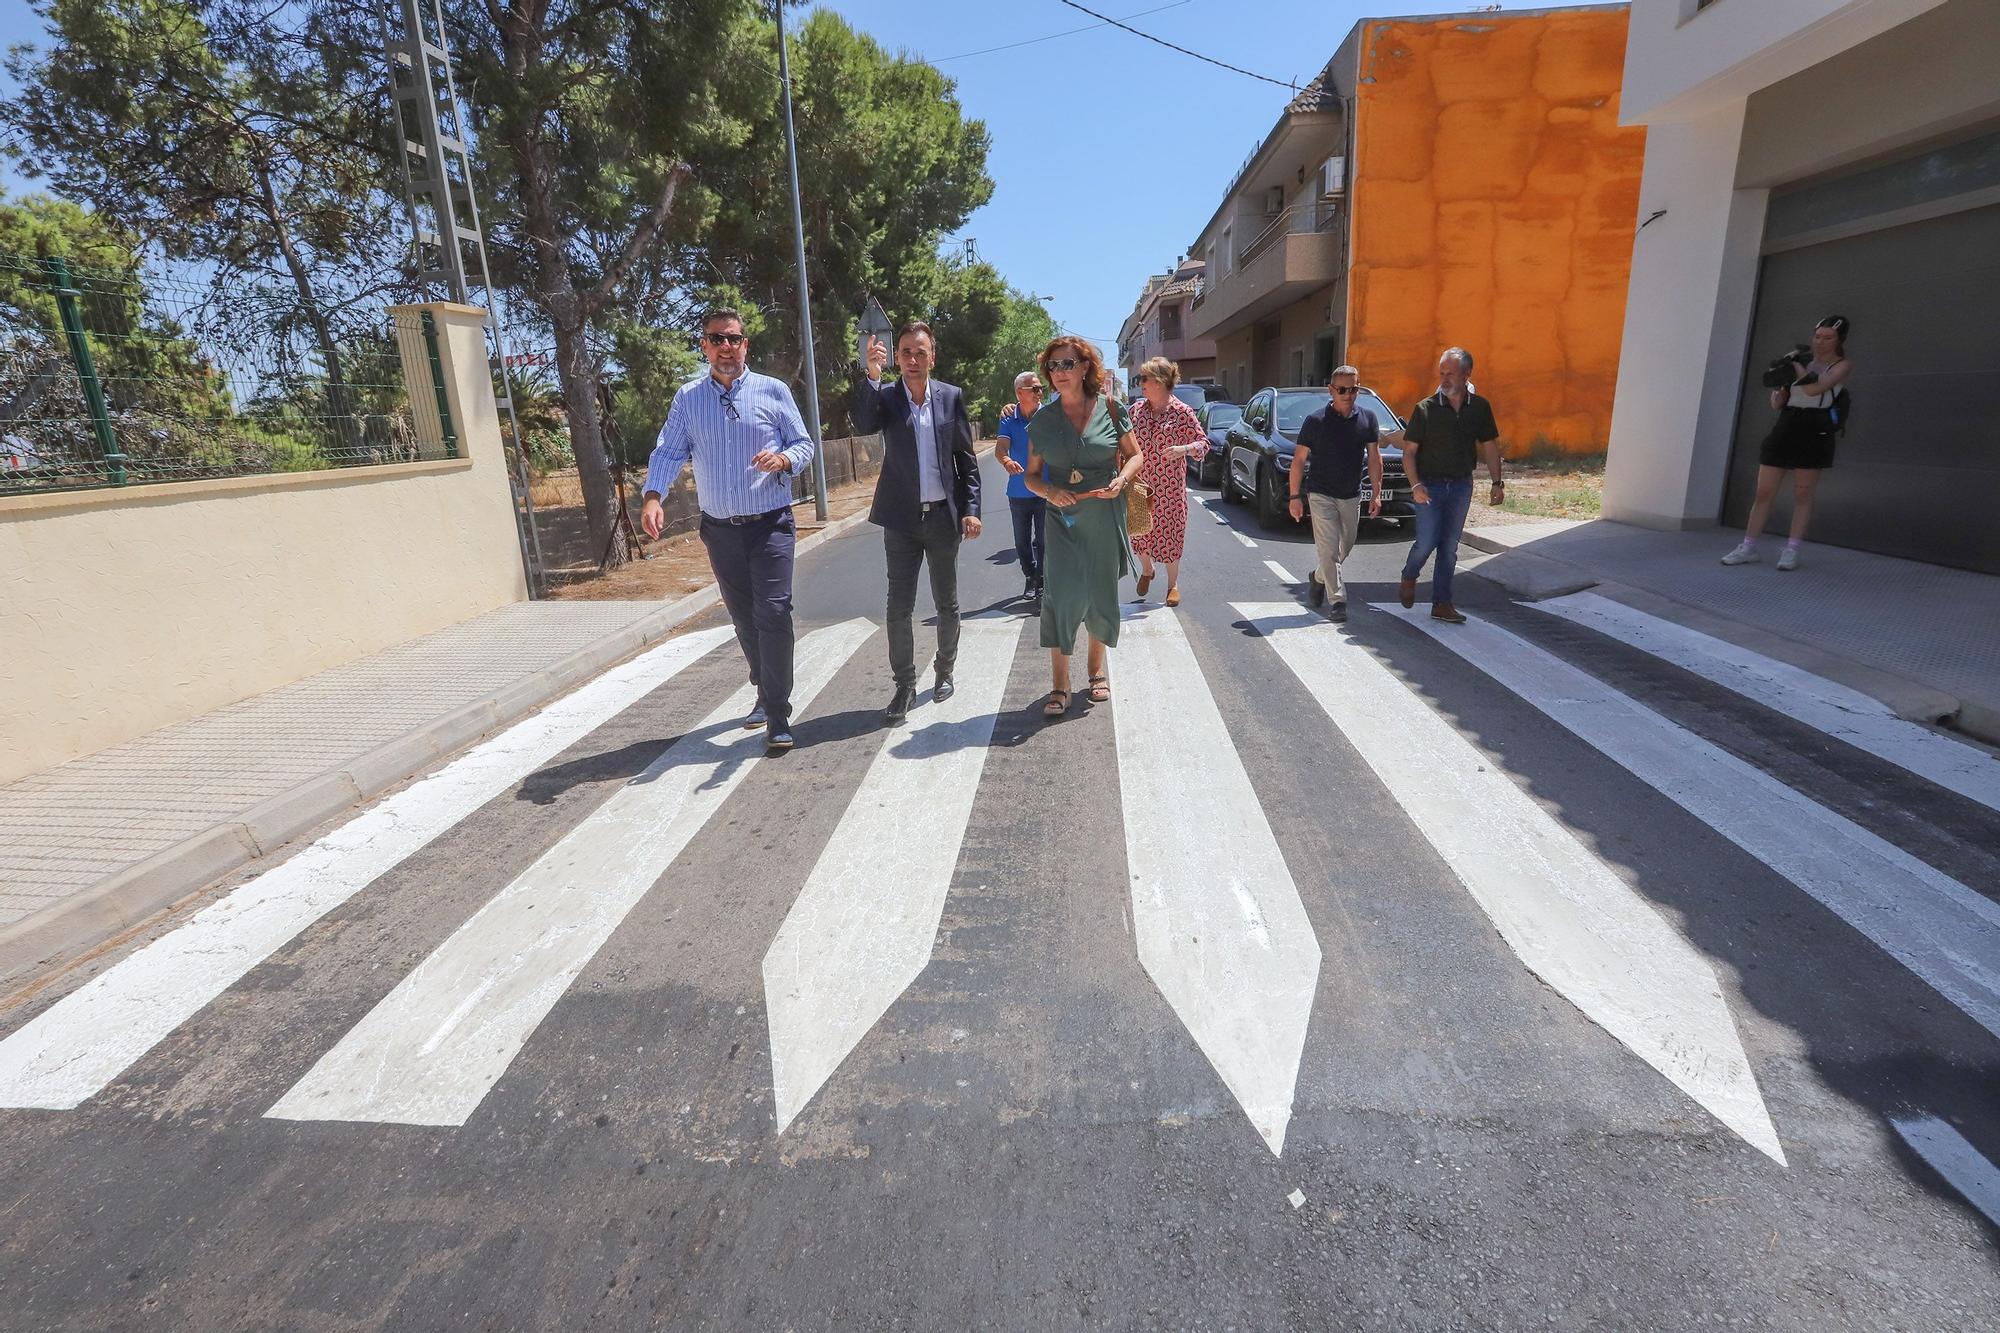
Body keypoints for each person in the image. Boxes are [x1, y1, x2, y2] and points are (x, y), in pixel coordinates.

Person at [643, 307, 816, 752]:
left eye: (734, 339)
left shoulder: (772, 391)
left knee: (774, 613)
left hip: (771, 524)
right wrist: (652, 496)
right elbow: (668, 451)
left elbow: (804, 444)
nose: (726, 347)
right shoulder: (688, 398)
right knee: (744, 619)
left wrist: (784, 460)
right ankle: (763, 688)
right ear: (704, 345)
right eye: (716, 339)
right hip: (720, 530)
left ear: (745, 345)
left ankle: (778, 713)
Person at [854, 321, 982, 725]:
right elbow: (863, 423)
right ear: (897, 356)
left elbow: (966, 460)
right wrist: (872, 376)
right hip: (901, 521)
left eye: (919, 352)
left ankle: (944, 671)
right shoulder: (888, 397)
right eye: (905, 351)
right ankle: (904, 685)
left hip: (943, 517)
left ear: (932, 356)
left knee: (947, 602)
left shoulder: (950, 398)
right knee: (899, 607)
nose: (911, 359)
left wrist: (971, 508)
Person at [1021, 336, 1142, 716]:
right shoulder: (1042, 421)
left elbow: (1135, 456)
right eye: (1053, 366)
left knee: (1099, 592)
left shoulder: (1111, 407)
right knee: (1060, 595)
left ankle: (1096, 671)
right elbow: (1031, 477)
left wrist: (1121, 481)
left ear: (1085, 367)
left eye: (1067, 364)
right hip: (1061, 519)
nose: (1059, 373)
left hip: (1104, 516)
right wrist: (1050, 492)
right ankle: (1060, 684)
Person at [1723, 315, 1854, 572]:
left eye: (1828, 338)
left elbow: (1814, 390)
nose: (1821, 342)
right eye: (1817, 336)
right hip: (1786, 425)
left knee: (1802, 494)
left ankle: (1791, 550)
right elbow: (1777, 403)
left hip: (1815, 428)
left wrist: (1797, 367)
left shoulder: (1842, 365)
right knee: (1763, 493)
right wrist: (1781, 384)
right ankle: (1748, 547)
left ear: (1840, 340)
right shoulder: (1800, 360)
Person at [1398, 346, 1502, 624]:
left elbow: (1490, 445)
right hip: (1428, 485)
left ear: (1467, 374)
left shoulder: (1479, 408)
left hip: (1460, 486)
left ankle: (1442, 603)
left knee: (1449, 546)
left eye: (1451, 374)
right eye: (1441, 373)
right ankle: (1410, 574)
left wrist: (1497, 482)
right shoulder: (1425, 409)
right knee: (1427, 541)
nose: (1444, 379)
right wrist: (1416, 485)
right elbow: (1408, 452)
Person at [1288, 365, 1383, 623]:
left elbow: (1374, 457)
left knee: (1345, 547)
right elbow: (1298, 460)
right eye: (1342, 389)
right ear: (1331, 391)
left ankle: (1318, 577)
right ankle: (1338, 601)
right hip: (1320, 493)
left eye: (1353, 389)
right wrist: (1294, 497)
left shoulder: (1368, 419)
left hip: (1351, 494)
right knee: (1329, 550)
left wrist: (1376, 493)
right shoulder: (1316, 421)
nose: (1348, 394)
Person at [1128, 356, 1207, 606]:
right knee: (1140, 534)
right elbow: (1123, 442)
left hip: (1169, 488)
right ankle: (1148, 570)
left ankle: (1172, 585)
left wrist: (1184, 449)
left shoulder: (1182, 413)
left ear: (1160, 382)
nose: (1141, 383)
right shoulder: (1136, 410)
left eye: (1144, 379)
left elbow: (1204, 444)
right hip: (1140, 485)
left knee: (1170, 535)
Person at [995, 371, 1047, 603]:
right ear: (1019, 393)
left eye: (1040, 388)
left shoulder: (1049, 415)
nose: (1039, 393)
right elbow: (1001, 447)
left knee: (1044, 541)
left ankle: (1042, 580)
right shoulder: (1008, 417)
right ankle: (1030, 575)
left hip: (1047, 491)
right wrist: (1006, 461)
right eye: (1034, 389)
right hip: (1018, 492)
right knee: (1021, 542)